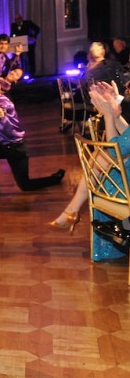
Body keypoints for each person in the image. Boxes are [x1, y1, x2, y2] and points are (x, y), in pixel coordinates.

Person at [50, 82, 130, 260]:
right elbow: (128, 137)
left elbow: (115, 150)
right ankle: (72, 210)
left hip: (123, 191)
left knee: (102, 159)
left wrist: (109, 116)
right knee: (100, 159)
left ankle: (72, 211)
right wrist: (114, 112)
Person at [0, 76, 65, 199]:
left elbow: (3, 109)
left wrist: (1, 114)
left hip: (16, 148)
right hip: (1, 145)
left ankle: (55, 178)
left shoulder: (3, 102)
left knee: (25, 185)